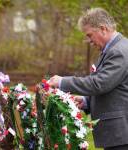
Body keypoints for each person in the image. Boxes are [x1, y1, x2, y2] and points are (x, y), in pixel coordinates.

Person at [48, 8, 128, 150]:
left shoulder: (119, 51)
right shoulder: (111, 50)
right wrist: (86, 101)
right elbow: (114, 87)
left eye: (90, 35)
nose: (89, 41)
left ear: (103, 28)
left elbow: (99, 83)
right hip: (117, 134)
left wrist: (62, 82)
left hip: (121, 134)